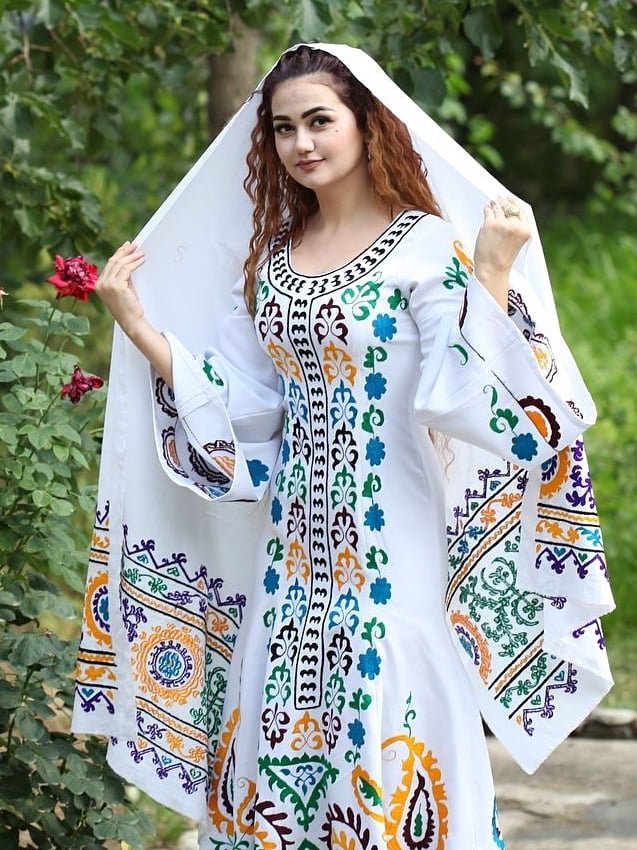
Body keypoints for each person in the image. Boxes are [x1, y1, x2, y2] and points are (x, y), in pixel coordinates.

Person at [74, 44, 613, 850]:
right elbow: (242, 409)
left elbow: (461, 400)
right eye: (285, 128)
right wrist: (141, 328)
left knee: (388, 706)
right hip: (290, 553)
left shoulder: (424, 246)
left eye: (320, 120)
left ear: (366, 124)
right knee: (277, 708)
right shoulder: (276, 265)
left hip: (393, 540)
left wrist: (491, 271)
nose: (302, 144)